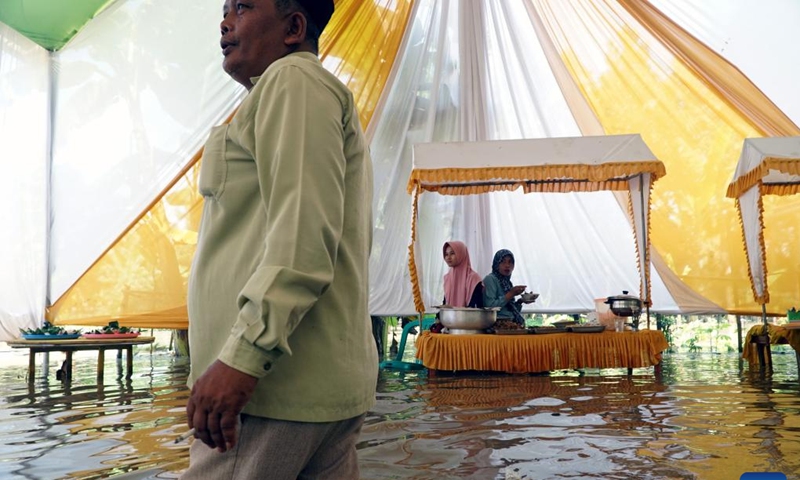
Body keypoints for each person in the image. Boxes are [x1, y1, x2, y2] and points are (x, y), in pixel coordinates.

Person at [181, 0, 377, 478]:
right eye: (225, 10)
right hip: (307, 391)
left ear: (293, 27)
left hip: (270, 396)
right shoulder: (290, 94)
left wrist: (242, 359)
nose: (225, 21)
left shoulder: (293, 82)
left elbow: (303, 241)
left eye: (243, 7)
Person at [482, 249, 534, 326]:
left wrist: (520, 301)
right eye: (503, 262)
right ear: (496, 264)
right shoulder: (490, 279)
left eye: (510, 262)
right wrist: (511, 294)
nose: (507, 265)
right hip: (497, 325)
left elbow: (509, 310)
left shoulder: (507, 282)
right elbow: (490, 307)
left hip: (511, 324)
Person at [442, 241, 484, 308]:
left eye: (452, 253)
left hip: (469, 317)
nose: (448, 257)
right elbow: (445, 303)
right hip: (449, 317)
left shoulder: (473, 278)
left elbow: (477, 306)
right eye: (446, 254)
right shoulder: (447, 278)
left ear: (461, 254)